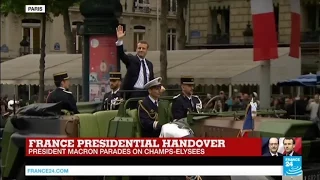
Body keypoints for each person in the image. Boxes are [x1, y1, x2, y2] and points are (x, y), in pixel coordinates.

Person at [116, 25, 155, 105]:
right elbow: (121, 55)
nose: (141, 50)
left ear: (147, 50)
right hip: (133, 93)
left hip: (146, 94)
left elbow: (151, 79)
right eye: (139, 48)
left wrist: (159, 87)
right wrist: (120, 40)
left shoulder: (149, 64)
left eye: (143, 48)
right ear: (136, 49)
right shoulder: (131, 59)